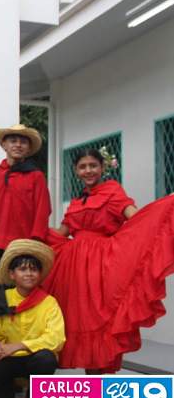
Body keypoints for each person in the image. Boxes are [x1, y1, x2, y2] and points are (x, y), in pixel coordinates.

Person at [44, 148, 174, 373]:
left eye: (93, 165)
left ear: (102, 168)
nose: (88, 170)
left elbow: (136, 218)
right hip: (73, 268)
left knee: (100, 315)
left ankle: (100, 380)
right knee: (79, 318)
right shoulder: (76, 202)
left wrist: (160, 212)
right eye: (82, 167)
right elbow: (62, 232)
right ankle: (92, 382)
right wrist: (35, 229)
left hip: (102, 265)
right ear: (76, 171)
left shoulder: (113, 191)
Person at [0, 239, 65, 398]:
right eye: (22, 269)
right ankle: (6, 392)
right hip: (8, 357)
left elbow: (56, 338)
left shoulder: (49, 303)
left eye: (33, 269)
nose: (29, 274)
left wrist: (18, 346)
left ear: (39, 274)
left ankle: (35, 397)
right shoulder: (3, 299)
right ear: (12, 274)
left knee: (46, 358)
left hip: (34, 357)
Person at [0, 124, 51, 291]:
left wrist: (35, 242)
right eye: (13, 141)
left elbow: (43, 209)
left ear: (29, 148)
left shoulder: (36, 176)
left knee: (23, 291)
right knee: (0, 292)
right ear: (4, 145)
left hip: (24, 243)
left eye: (23, 142)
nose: (18, 145)